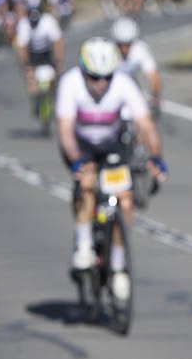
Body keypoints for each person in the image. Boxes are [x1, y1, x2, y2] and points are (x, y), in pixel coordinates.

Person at [56, 38, 167, 295]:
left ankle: (118, 267)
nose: (101, 84)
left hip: (112, 147)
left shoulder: (123, 84)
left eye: (107, 77)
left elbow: (145, 124)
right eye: (94, 77)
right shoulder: (70, 83)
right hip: (81, 146)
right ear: (84, 72)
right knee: (86, 184)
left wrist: (156, 155)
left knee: (124, 200)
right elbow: (64, 130)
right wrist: (76, 159)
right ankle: (84, 246)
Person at [14, 4, 64, 109]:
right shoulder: (24, 25)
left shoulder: (48, 21)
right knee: (31, 78)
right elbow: (22, 48)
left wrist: (58, 61)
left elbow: (57, 42)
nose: (34, 24)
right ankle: (36, 101)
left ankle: (54, 98)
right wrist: (26, 66)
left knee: (55, 75)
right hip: (32, 54)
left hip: (47, 52)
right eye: (32, 22)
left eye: (36, 21)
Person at [110, 16, 162, 115]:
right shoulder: (108, 50)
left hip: (132, 84)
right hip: (113, 84)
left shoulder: (141, 50)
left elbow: (153, 77)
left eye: (128, 44)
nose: (124, 49)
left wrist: (155, 97)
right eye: (121, 44)